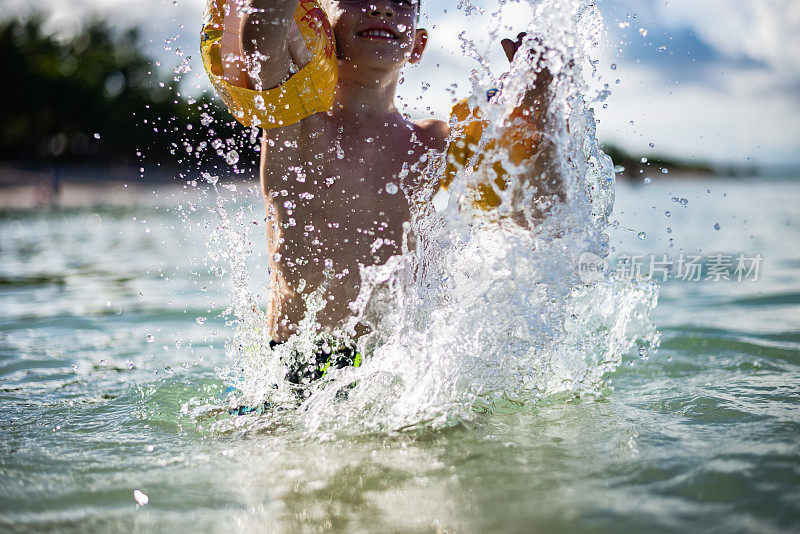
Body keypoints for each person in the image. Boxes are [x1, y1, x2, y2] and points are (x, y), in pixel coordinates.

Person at [219, 0, 553, 383]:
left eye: (403, 1)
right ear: (321, 27)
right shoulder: (297, 126)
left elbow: (532, 216)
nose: (382, 9)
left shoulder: (435, 143)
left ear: (417, 46)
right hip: (303, 367)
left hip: (403, 368)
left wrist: (540, 108)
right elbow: (262, 38)